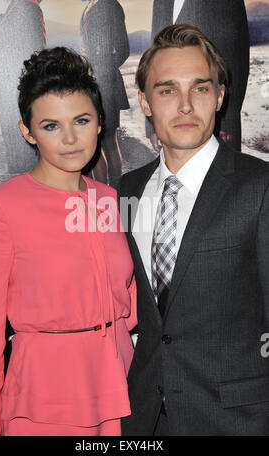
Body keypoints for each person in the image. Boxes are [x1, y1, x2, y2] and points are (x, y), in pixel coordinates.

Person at [0, 47, 136, 436]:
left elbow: (130, 300)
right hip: (46, 398)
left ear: (99, 123)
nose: (70, 138)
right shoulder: (0, 208)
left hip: (123, 386)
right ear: (27, 131)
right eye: (50, 126)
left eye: (81, 120)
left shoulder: (114, 200)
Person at [118, 24, 269, 436]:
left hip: (237, 420)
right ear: (145, 102)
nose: (185, 105)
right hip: (145, 418)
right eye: (167, 90)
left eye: (199, 89)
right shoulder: (126, 191)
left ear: (220, 97)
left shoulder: (260, 186)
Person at [146, 0, 249, 152]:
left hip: (217, 123)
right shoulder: (161, 2)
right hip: (169, 125)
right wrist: (152, 123)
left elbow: (237, 60)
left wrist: (226, 120)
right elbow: (152, 68)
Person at [80, 0, 130, 187]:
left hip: (106, 84)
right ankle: (102, 196)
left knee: (107, 141)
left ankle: (113, 194)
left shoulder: (111, 5)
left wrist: (102, 69)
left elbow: (123, 49)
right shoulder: (88, 6)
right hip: (90, 84)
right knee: (93, 142)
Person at [0, 0, 46, 174]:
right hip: (12, 95)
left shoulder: (27, 8)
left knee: (26, 159)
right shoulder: (18, 7)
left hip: (20, 96)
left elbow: (36, 57)